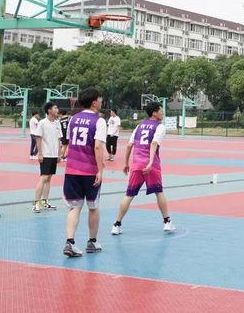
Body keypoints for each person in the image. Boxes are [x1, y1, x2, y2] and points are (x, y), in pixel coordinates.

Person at [111, 101, 175, 235]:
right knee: (159, 192)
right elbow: (154, 143)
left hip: (137, 164)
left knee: (129, 195)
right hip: (151, 165)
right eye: (161, 110)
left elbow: (129, 145)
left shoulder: (139, 126)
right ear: (155, 113)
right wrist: (150, 162)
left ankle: (116, 225)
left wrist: (126, 163)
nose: (162, 112)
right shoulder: (159, 127)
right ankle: (167, 222)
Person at [61, 88, 107, 258]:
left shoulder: (73, 119)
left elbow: (69, 142)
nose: (101, 102)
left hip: (72, 169)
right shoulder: (99, 121)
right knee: (93, 207)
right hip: (89, 170)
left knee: (75, 207)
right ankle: (92, 241)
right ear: (94, 102)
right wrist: (100, 170)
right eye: (100, 99)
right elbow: (97, 146)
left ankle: (70, 242)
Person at [32, 102, 64, 213]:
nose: (57, 109)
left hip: (54, 155)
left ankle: (44, 201)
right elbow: (38, 138)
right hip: (45, 154)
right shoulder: (42, 123)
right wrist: (40, 153)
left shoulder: (57, 123)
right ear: (49, 110)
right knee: (44, 177)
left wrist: (59, 154)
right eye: (55, 108)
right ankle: (36, 202)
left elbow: (59, 139)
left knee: (49, 178)